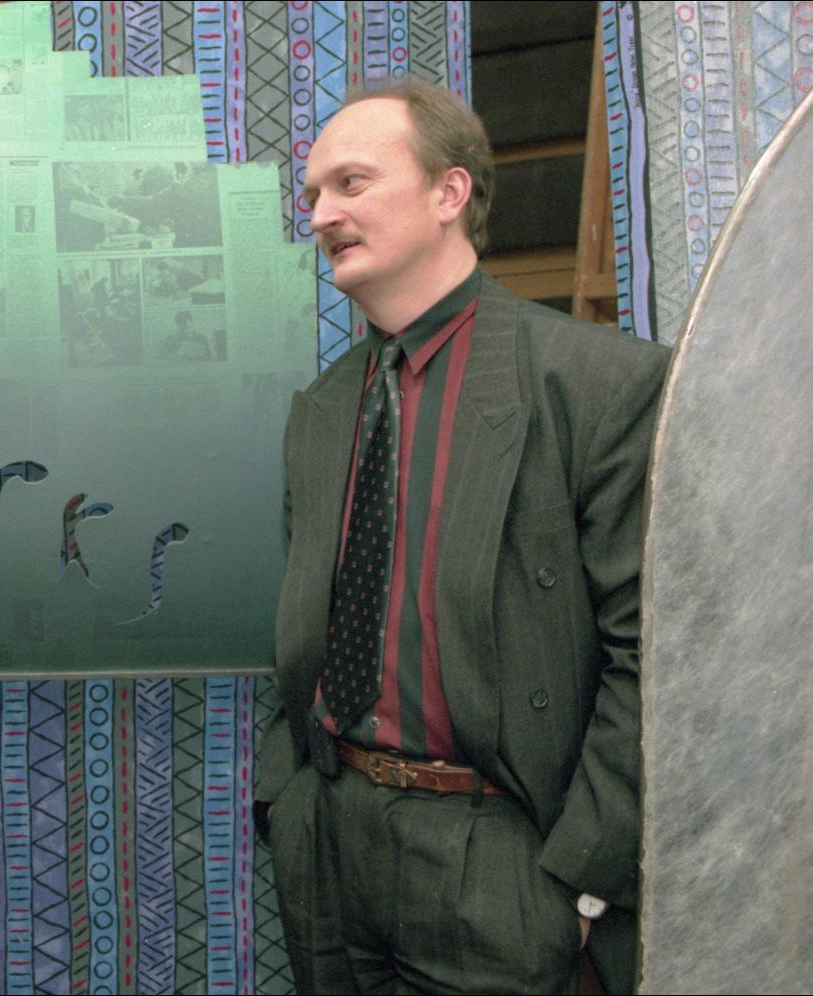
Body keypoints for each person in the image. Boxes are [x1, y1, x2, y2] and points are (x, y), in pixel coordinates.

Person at [256, 80, 668, 994]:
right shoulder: (322, 409)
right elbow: (300, 627)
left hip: (502, 863)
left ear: (449, 193)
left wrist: (582, 879)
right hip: (329, 845)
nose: (320, 215)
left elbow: (656, 653)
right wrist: (285, 802)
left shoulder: (598, 385)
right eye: (313, 195)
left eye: (351, 183)